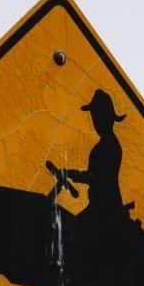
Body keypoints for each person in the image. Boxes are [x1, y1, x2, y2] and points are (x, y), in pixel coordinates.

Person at [56, 88, 126, 217]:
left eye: (98, 115)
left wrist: (69, 173)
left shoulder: (108, 146)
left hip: (105, 208)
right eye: (94, 116)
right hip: (100, 205)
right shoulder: (105, 144)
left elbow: (95, 177)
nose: (95, 120)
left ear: (108, 117)